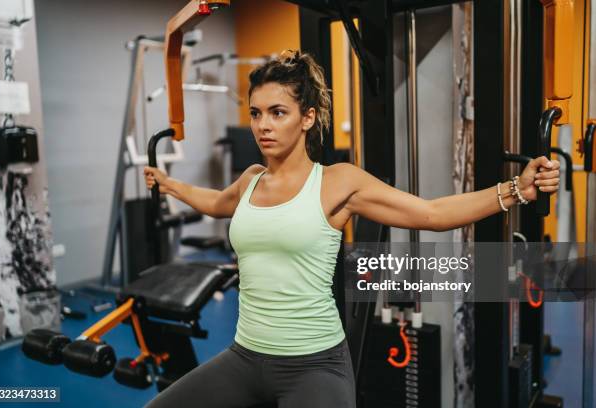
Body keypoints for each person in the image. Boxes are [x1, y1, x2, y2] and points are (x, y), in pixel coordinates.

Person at [143, 50, 560, 408]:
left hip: (314, 365)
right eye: (256, 113)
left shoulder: (336, 182)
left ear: (307, 118)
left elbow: (431, 213)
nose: (263, 125)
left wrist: (515, 190)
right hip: (245, 355)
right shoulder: (252, 178)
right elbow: (217, 203)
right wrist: (170, 184)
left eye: (277, 113)